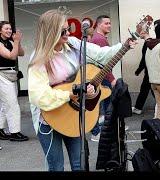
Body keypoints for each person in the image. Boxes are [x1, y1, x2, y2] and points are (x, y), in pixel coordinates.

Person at [28, 9, 136, 171]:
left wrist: (124, 45)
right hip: (48, 120)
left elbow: (100, 55)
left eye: (68, 29)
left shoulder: (73, 44)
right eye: (62, 31)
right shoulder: (39, 59)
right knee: (56, 167)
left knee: (79, 164)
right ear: (50, 32)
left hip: (74, 115)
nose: (68, 34)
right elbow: (40, 96)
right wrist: (70, 94)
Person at [0, 21, 28, 141]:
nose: (9, 31)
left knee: (4, 104)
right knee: (12, 105)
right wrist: (16, 41)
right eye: (6, 29)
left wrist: (18, 42)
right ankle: (14, 132)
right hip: (2, 75)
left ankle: (0, 129)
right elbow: (11, 56)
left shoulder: (10, 42)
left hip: (11, 74)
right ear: (0, 30)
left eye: (10, 29)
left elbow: (21, 53)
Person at [89, 15, 116, 142]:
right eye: (106, 23)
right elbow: (104, 63)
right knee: (104, 105)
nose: (109, 25)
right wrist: (112, 79)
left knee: (101, 104)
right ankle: (98, 132)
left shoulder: (99, 38)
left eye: (110, 23)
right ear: (99, 24)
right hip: (102, 77)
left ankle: (104, 129)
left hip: (100, 76)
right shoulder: (100, 39)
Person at [131, 25, 153, 115]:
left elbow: (144, 58)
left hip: (150, 71)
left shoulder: (147, 43)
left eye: (139, 31)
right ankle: (138, 107)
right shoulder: (150, 42)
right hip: (151, 70)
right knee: (147, 89)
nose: (138, 33)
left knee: (147, 89)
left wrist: (138, 70)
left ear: (144, 32)